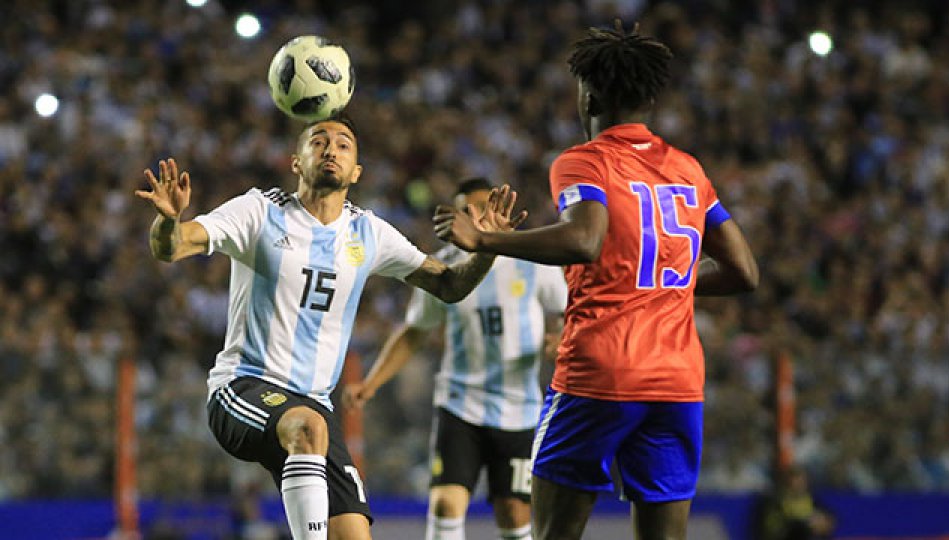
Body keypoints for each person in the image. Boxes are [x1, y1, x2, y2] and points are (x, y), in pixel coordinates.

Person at [433, 22, 759, 540]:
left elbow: (585, 238)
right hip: (676, 380)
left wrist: (486, 241)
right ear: (650, 98)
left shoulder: (583, 161)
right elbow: (744, 272)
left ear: (588, 96)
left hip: (600, 372)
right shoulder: (689, 169)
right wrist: (660, 283)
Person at [134, 115, 525, 540]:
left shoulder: (369, 233)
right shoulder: (260, 211)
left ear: (357, 171)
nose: (330, 149)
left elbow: (449, 287)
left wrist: (486, 250)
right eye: (318, 141)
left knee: (353, 533)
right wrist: (168, 221)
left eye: (343, 144)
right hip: (242, 388)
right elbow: (170, 248)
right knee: (308, 426)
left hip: (312, 406)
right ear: (296, 162)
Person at [342, 177, 568, 540]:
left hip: (519, 408)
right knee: (446, 503)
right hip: (460, 404)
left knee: (514, 512)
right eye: (466, 210)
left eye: (483, 207)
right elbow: (415, 330)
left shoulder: (533, 263)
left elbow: (566, 310)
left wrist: (560, 338)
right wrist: (372, 382)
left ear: (500, 210)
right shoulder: (445, 268)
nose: (475, 216)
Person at [753, 467, 835, 540]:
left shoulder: (811, 499)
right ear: (787, 483)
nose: (799, 485)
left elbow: (829, 518)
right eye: (796, 482)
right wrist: (807, 525)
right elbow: (775, 528)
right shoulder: (775, 501)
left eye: (802, 482)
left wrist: (825, 523)